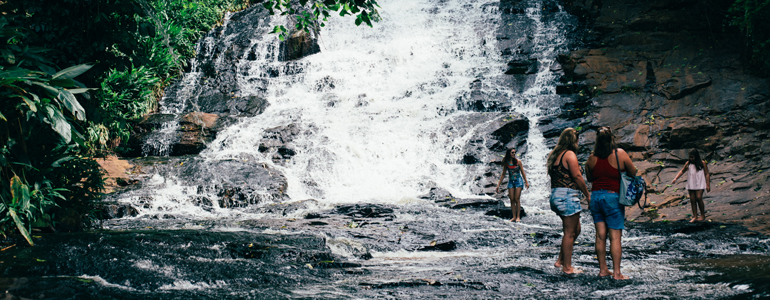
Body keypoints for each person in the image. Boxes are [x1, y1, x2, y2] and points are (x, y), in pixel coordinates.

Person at [585, 126, 637, 280]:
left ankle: (603, 270)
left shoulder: (591, 158)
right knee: (615, 237)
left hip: (595, 198)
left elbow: (589, 178)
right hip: (612, 198)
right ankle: (617, 273)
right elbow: (633, 172)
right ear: (611, 138)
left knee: (600, 236)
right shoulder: (619, 153)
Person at [546, 128, 590, 275]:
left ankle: (560, 261)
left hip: (556, 195)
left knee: (575, 230)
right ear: (574, 140)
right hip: (567, 196)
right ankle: (567, 268)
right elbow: (577, 176)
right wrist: (587, 195)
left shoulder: (555, 154)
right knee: (570, 232)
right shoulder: (569, 154)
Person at [671, 149, 710, 222]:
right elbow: (682, 171)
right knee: (692, 199)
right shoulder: (688, 163)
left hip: (700, 182)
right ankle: (695, 216)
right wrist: (676, 178)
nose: (691, 159)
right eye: (690, 157)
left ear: (696, 157)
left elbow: (707, 174)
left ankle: (702, 215)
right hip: (691, 183)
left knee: (699, 198)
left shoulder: (702, 163)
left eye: (692, 157)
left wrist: (708, 185)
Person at [496, 147, 530, 222]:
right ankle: (514, 217)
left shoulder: (518, 162)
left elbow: (523, 172)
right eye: (512, 152)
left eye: (514, 152)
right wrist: (498, 185)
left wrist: (526, 182)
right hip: (511, 181)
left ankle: (518, 217)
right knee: (511, 199)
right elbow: (503, 174)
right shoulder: (506, 163)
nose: (514, 154)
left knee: (517, 199)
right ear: (509, 153)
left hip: (518, 181)